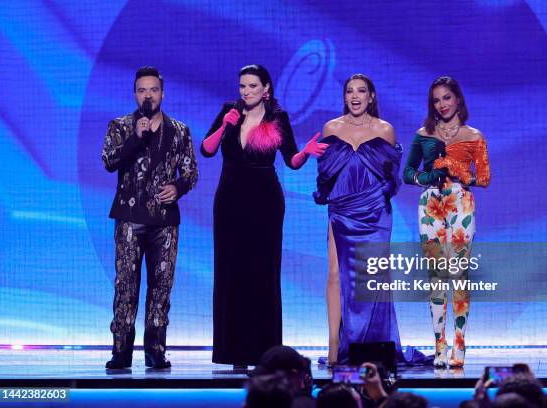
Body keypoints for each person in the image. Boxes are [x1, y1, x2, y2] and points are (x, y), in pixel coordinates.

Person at [201, 64, 327, 367]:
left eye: (252, 86)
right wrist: (224, 126)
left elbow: (291, 161)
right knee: (231, 272)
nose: (246, 92)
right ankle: (233, 352)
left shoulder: (277, 119)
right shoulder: (228, 112)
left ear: (266, 89)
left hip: (265, 202)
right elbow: (206, 149)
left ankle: (263, 351)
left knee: (262, 273)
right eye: (242, 86)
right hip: (230, 199)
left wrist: (307, 151)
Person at [101, 66, 197, 369]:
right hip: (130, 217)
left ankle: (155, 348)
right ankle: (121, 350)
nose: (148, 95)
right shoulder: (121, 126)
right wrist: (135, 138)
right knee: (126, 284)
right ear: (135, 94)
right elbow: (108, 161)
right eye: (142, 90)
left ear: (162, 93)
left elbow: (191, 171)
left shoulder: (179, 130)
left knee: (161, 285)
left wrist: (177, 186)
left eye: (153, 89)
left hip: (165, 220)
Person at [314, 73, 403, 365]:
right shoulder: (331, 128)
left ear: (371, 96)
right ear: (344, 97)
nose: (355, 96)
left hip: (375, 212)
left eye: (361, 91)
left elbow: (392, 178)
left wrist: (380, 198)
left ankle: (373, 345)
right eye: (350, 91)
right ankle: (333, 344)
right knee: (335, 274)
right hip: (341, 209)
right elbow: (326, 175)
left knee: (373, 279)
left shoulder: (385, 130)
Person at [403, 76, 490, 368]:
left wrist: (463, 174)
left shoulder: (474, 135)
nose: (442, 104)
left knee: (459, 275)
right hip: (430, 205)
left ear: (458, 100)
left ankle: (460, 343)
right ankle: (439, 344)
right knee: (436, 276)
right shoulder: (423, 134)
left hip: (460, 204)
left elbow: (485, 178)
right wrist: (424, 178)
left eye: (447, 98)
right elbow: (407, 173)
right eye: (437, 100)